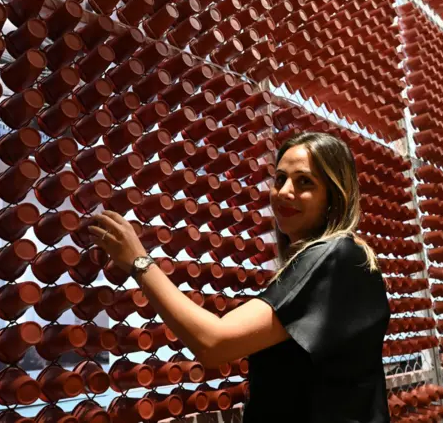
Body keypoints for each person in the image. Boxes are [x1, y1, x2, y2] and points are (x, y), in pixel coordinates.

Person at [89, 132, 391, 422]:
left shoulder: (334, 257)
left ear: (334, 197)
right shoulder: (351, 260)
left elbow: (215, 343)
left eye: (304, 182)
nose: (285, 191)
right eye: (280, 178)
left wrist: (139, 262)